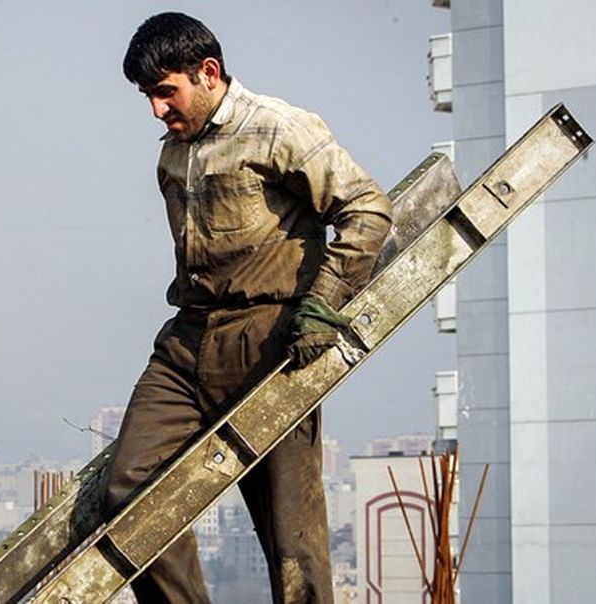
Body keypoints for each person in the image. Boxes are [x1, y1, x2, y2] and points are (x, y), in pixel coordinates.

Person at [103, 12, 393, 603]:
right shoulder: (174, 152)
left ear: (207, 72)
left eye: (165, 92)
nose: (156, 110)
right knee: (127, 488)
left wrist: (321, 307)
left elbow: (368, 211)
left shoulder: (278, 128)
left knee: (293, 542)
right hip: (188, 342)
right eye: (147, 97)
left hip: (271, 342)